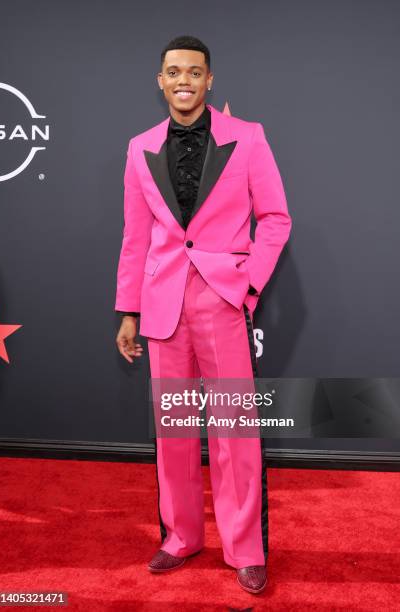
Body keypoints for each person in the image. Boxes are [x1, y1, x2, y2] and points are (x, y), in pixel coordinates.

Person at [115, 35, 292, 595]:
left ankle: (245, 549)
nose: (184, 79)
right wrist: (127, 310)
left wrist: (247, 287)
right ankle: (181, 536)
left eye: (195, 70)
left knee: (235, 431)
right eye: (174, 71)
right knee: (174, 430)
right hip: (163, 304)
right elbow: (135, 236)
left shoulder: (249, 137)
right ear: (161, 81)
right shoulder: (139, 146)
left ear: (209, 80)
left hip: (223, 298)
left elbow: (276, 218)